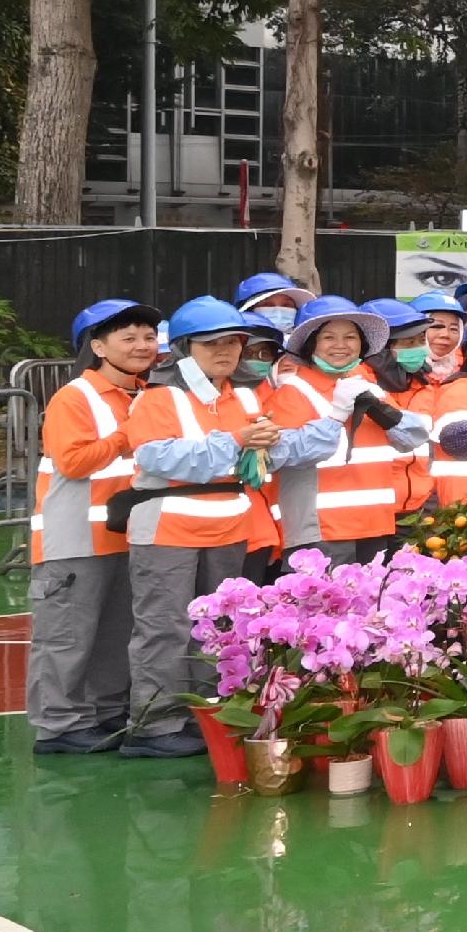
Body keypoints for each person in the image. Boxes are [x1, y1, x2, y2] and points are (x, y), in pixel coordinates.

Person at [114, 299, 299, 754]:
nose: (226, 350)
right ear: (183, 348)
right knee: (165, 628)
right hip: (169, 528)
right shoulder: (161, 396)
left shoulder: (243, 396)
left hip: (227, 526)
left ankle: (205, 715)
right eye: (212, 342)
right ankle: (155, 726)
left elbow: (263, 452)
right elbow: (159, 457)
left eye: (234, 341)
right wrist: (237, 441)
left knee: (218, 627)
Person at [31, 299, 164, 754]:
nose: (142, 346)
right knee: (66, 636)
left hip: (129, 536)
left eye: (148, 336)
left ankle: (106, 712)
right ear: (98, 346)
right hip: (73, 541)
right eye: (128, 338)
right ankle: (59, 724)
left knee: (115, 633)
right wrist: (132, 430)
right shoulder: (76, 397)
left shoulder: (148, 394)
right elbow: (73, 460)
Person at [260, 298, 427, 565]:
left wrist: (381, 410)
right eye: (329, 337)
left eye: (350, 337)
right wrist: (336, 416)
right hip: (320, 531)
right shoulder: (293, 393)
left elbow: (412, 438)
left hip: (376, 525)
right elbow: (277, 455)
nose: (341, 345)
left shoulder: (369, 388)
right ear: (310, 344)